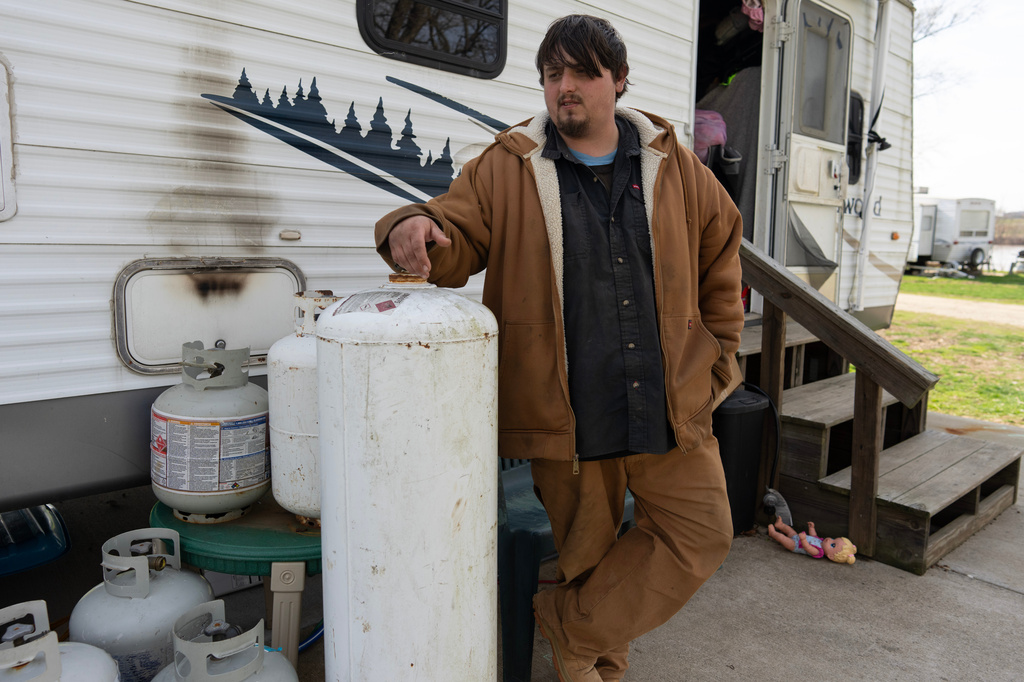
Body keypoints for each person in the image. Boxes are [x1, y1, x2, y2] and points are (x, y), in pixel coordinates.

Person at [375, 14, 744, 682]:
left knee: (701, 534)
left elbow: (722, 246)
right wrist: (415, 223)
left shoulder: (676, 166)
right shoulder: (507, 166)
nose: (564, 87)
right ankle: (595, 663)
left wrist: (719, 348)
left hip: (668, 402)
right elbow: (455, 228)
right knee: (590, 557)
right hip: (568, 413)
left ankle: (566, 625)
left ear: (619, 80)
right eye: (553, 74)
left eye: (582, 72)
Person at [767, 516, 857, 564]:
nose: (829, 540)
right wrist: (812, 528)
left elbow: (808, 548)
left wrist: (803, 540)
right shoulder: (821, 541)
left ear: (830, 556)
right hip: (797, 538)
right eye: (833, 539)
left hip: (795, 545)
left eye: (832, 545)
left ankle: (773, 533)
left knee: (783, 538)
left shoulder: (819, 552)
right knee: (790, 531)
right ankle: (780, 525)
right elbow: (813, 536)